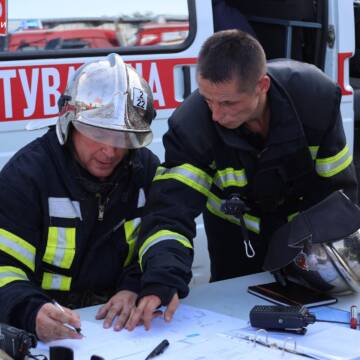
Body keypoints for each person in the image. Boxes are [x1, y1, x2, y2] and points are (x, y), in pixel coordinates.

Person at [126, 29, 358, 330]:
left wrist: (340, 258)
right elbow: (169, 212)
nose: (216, 115)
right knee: (234, 319)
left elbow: (338, 193)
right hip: (235, 240)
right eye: (208, 100)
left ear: (262, 85)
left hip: (305, 240)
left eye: (228, 103)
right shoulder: (192, 126)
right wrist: (161, 281)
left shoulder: (315, 100)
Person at [0, 53, 159, 341]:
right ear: (68, 123)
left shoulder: (144, 170)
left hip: (121, 331)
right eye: (98, 134)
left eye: (123, 139)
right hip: (47, 329)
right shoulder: (27, 176)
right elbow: (3, 268)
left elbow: (159, 244)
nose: (110, 152)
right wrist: (30, 310)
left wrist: (134, 286)